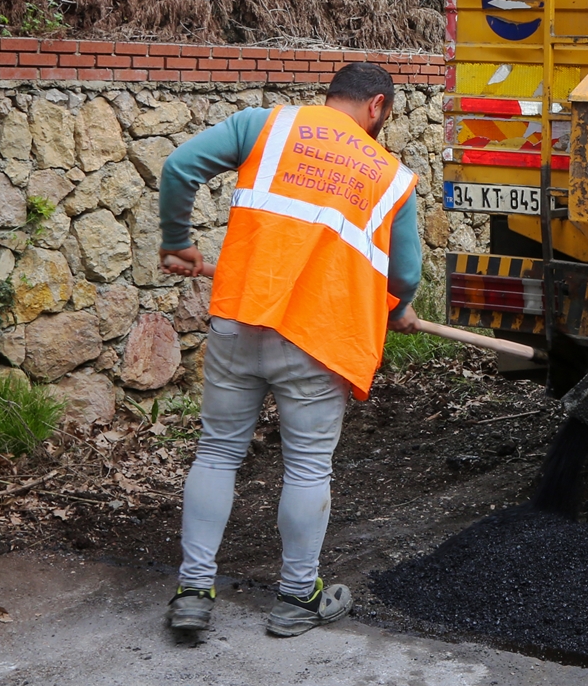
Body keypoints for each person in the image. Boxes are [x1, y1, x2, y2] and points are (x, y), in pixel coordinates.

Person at [157, 62, 424, 638]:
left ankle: (194, 592)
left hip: (239, 320)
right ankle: (299, 597)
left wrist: (177, 242)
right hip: (317, 337)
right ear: (377, 106)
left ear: (332, 95)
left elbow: (178, 167)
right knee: (306, 466)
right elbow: (404, 273)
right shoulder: (390, 176)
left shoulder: (266, 126)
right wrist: (396, 307)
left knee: (217, 453)